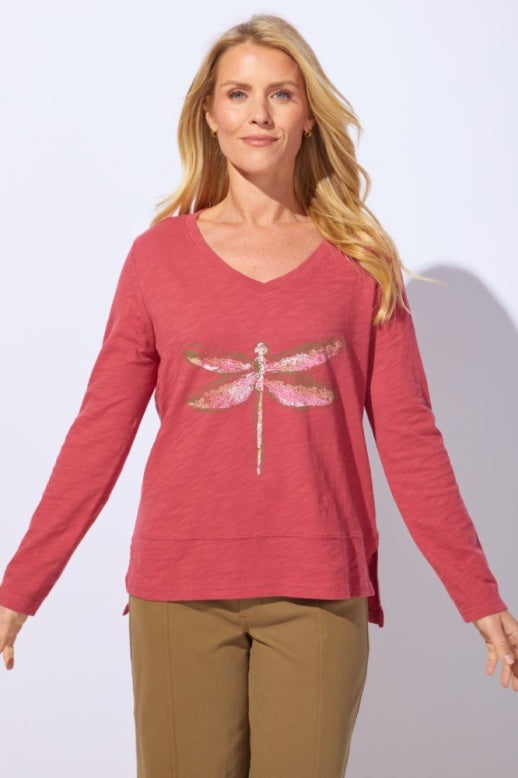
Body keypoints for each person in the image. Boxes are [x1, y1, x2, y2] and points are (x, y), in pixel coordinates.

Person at [0, 12, 516, 778]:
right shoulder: (155, 259)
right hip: (178, 588)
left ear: (308, 116)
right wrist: (21, 587)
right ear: (209, 115)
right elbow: (98, 432)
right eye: (238, 94)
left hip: (317, 591)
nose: (259, 114)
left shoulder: (361, 262)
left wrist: (478, 593)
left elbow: (411, 441)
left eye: (281, 93)